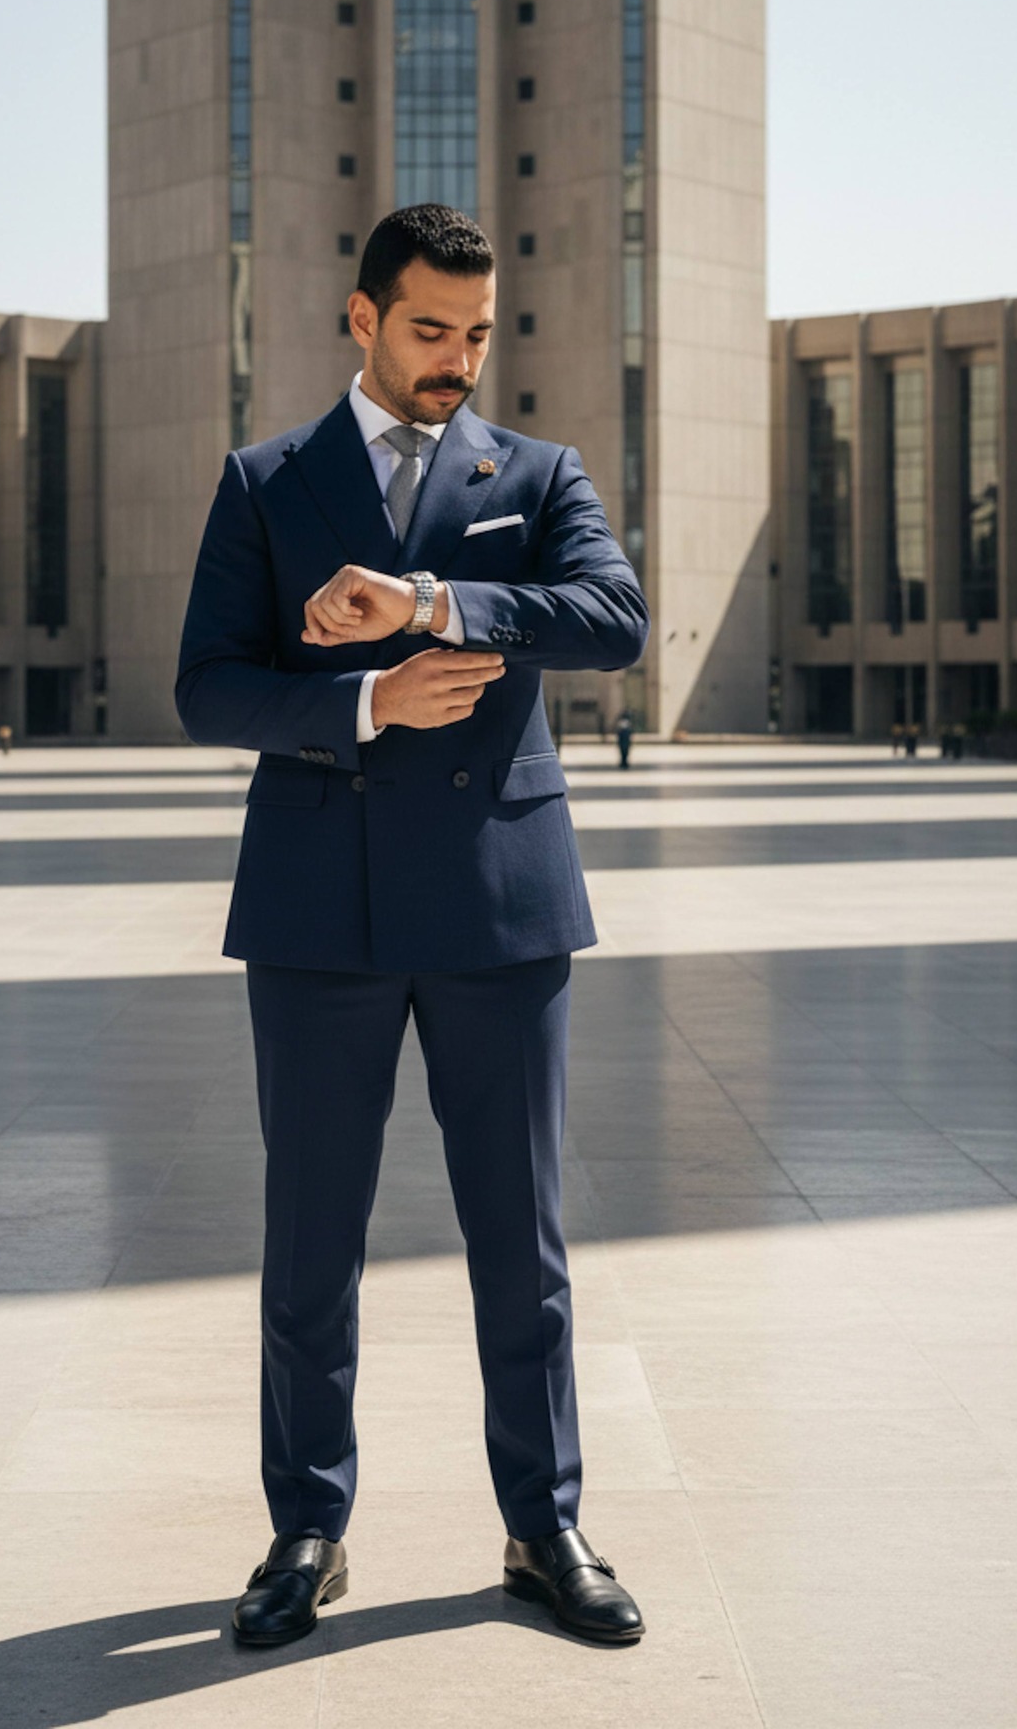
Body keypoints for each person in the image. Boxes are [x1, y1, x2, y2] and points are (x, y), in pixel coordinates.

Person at [177, 205, 649, 1650]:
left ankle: (544, 1523)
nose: (457, 360)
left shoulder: (538, 472)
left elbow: (613, 616)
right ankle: (304, 1529)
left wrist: (444, 601)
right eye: (430, 329)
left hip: (499, 909)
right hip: (321, 913)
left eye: (476, 333)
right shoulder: (267, 483)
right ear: (361, 316)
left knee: (522, 1239)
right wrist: (367, 703)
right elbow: (208, 690)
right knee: (312, 1238)